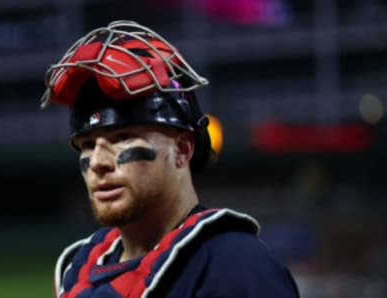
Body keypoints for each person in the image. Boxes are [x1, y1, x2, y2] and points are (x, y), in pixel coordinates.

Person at [40, 20, 299, 298]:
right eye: (88, 145)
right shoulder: (78, 268)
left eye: (123, 138)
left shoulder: (233, 265)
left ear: (183, 150)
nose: (97, 162)